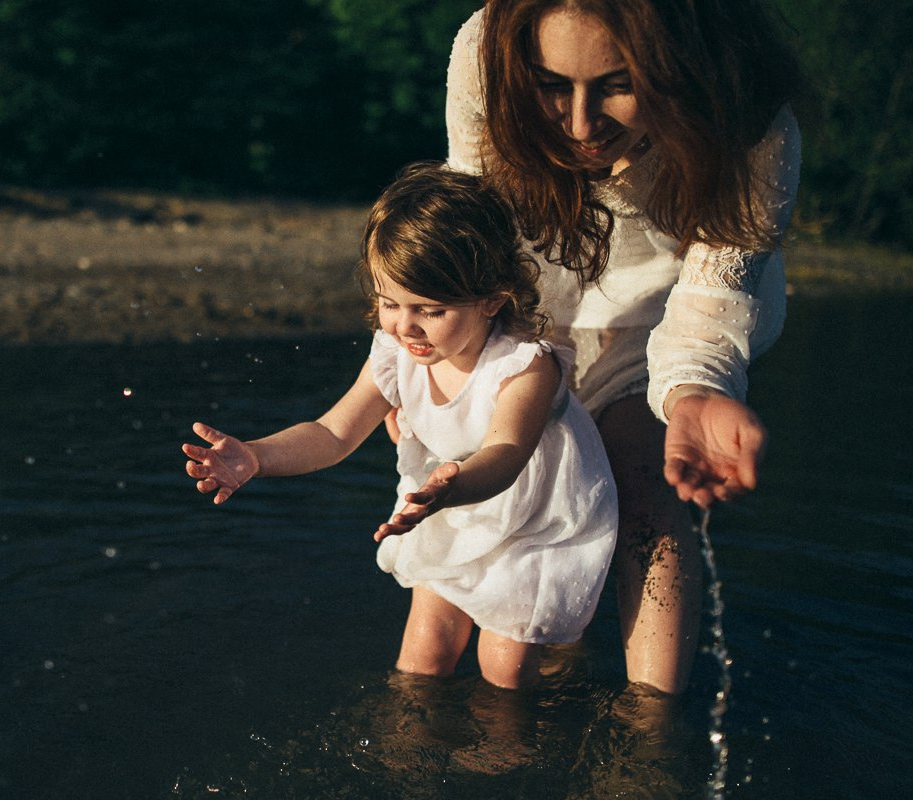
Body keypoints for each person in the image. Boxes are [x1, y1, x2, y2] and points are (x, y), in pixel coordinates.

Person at [442, 0, 802, 693]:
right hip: (526, 294)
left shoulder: (750, 114)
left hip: (666, 311)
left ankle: (650, 740)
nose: (581, 125)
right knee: (519, 472)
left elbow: (710, 299)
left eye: (617, 84)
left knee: (645, 484)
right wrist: (439, 362)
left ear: (681, 67)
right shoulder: (486, 52)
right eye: (553, 85)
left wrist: (697, 392)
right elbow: (471, 223)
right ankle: (556, 648)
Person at [182, 163, 618, 689]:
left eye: (429, 310)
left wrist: (451, 484)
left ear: (491, 300)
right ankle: (410, 749)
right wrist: (258, 456)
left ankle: (530, 741)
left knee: (505, 669)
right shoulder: (396, 351)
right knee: (423, 655)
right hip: (442, 502)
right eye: (390, 303)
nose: (404, 326)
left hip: (531, 517)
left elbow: (505, 456)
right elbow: (333, 432)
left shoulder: (524, 367)